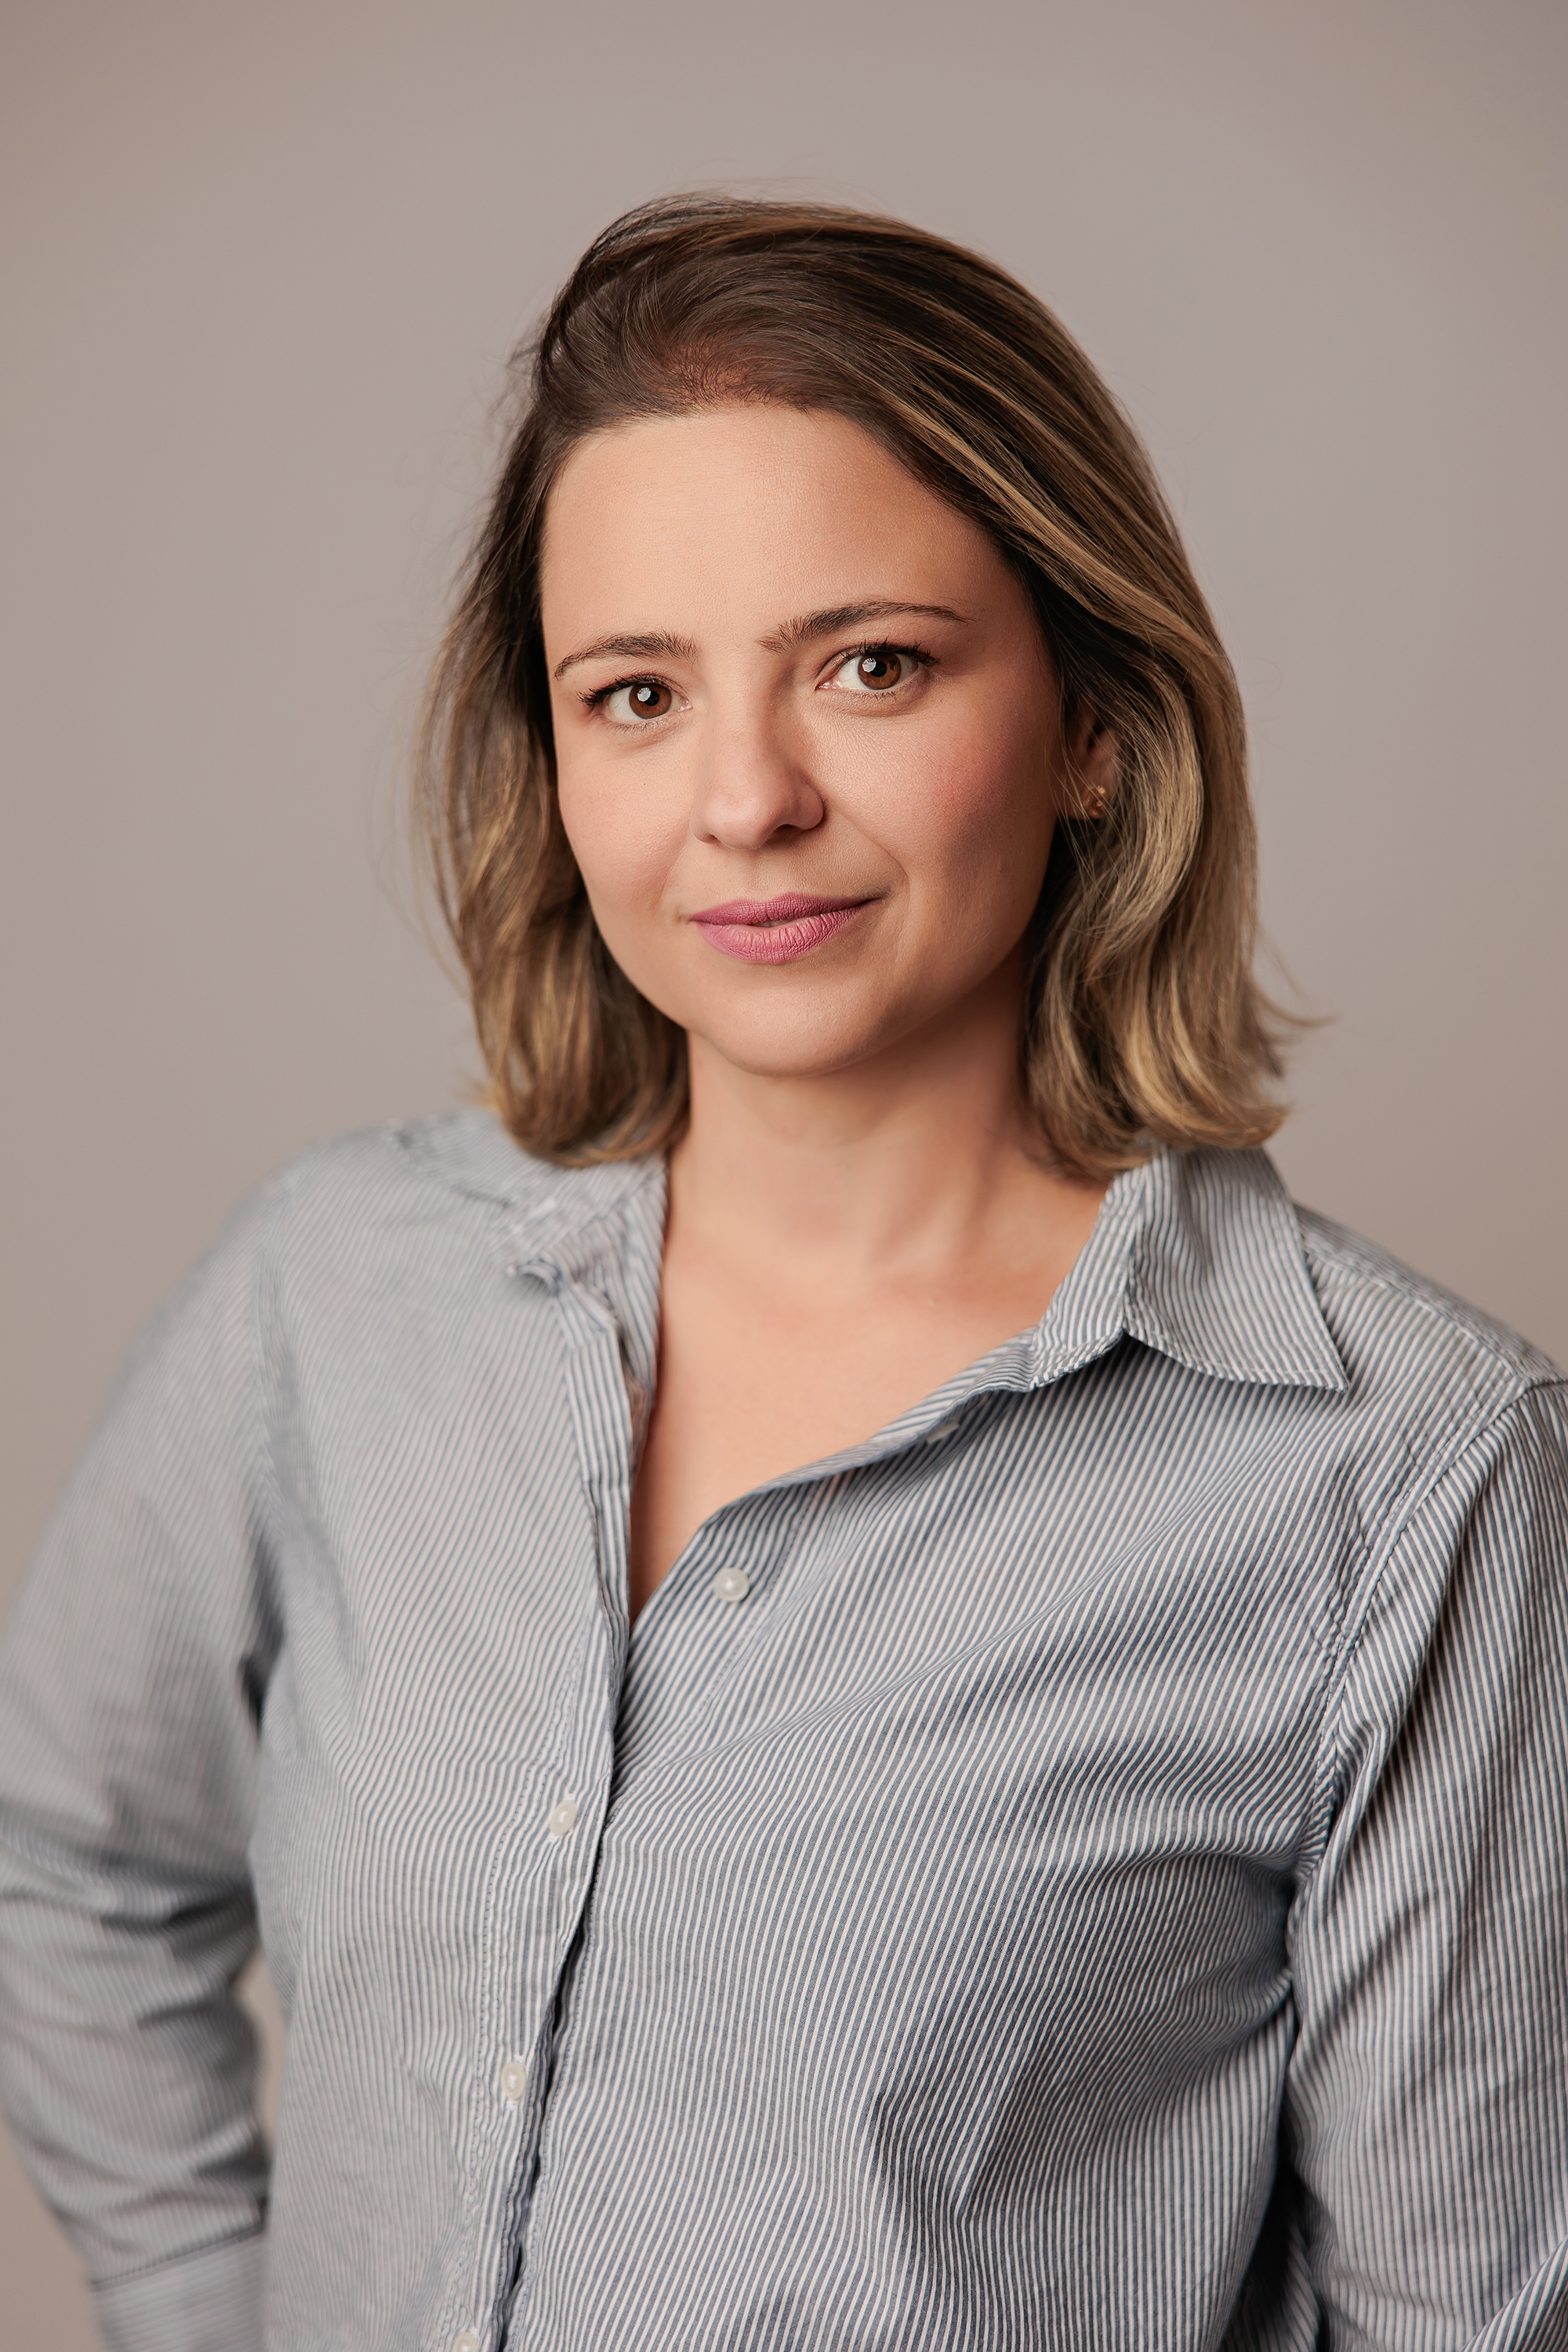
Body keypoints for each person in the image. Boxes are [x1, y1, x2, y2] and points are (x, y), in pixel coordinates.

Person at [1, 194, 1564, 2352]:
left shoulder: (1410, 1484)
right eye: (635, 694)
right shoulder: (335, 1299)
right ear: (552, 767)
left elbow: (1461, 2319)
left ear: (1097, 718)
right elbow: (62, 1857)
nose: (745, 799)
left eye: (873, 666)